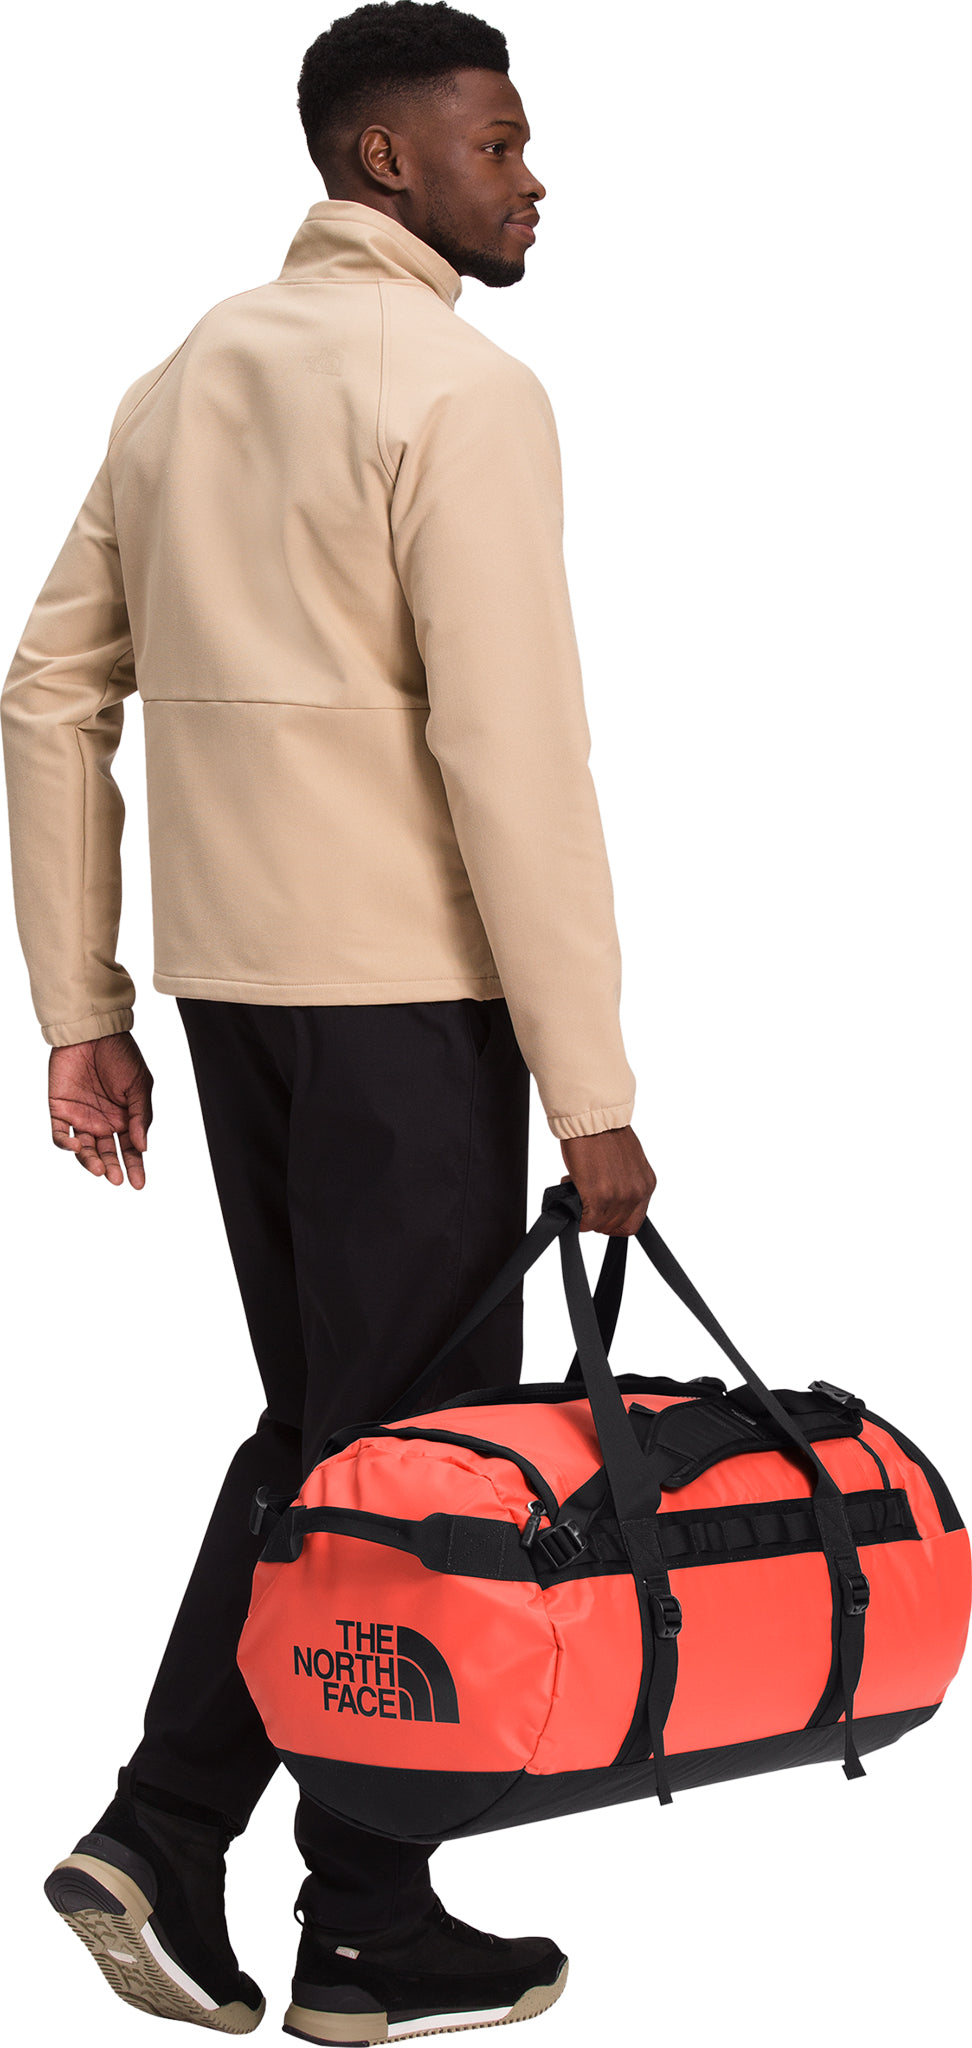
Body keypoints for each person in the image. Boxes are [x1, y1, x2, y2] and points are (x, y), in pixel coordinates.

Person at [2, 4, 655, 2040]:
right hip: (409, 1012)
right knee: (415, 1459)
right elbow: (513, 760)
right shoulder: (460, 390)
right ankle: (185, 1837)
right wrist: (593, 1093)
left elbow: (45, 692)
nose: (532, 179)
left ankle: (350, 1905)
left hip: (237, 1004)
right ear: (389, 161)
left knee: (344, 1443)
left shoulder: (183, 377)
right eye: (499, 142)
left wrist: (84, 1006)